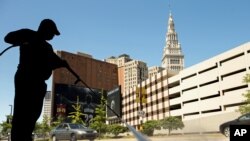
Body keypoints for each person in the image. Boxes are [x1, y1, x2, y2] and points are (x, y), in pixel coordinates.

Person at [4, 19, 70, 141]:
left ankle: (25, 136)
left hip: (39, 84)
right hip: (26, 79)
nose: (53, 36)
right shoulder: (28, 34)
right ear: (45, 29)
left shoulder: (47, 47)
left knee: (33, 114)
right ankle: (19, 138)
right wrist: (24, 39)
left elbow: (53, 62)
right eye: (52, 33)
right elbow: (7, 38)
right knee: (22, 112)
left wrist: (62, 63)